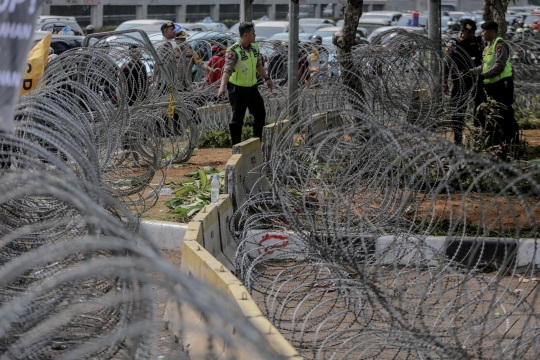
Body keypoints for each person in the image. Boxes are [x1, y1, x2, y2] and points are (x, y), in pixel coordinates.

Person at [217, 22, 272, 146]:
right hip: (237, 89)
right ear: (246, 34)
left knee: (260, 114)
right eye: (253, 33)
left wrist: (267, 78)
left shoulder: (254, 48)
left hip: (252, 88)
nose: (255, 35)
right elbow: (227, 70)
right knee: (238, 119)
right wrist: (222, 87)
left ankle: (257, 142)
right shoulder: (234, 51)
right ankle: (236, 146)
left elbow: (258, 65)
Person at [473, 21, 519, 157]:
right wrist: (470, 72)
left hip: (502, 84)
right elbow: (484, 65)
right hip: (492, 85)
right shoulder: (488, 46)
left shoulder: (500, 44)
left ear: (492, 31)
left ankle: (510, 142)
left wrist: (483, 76)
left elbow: (499, 65)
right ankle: (498, 143)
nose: (482, 34)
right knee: (495, 114)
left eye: (484, 31)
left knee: (505, 114)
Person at [443, 19, 485, 145]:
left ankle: (479, 135)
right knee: (458, 110)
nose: (471, 35)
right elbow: (446, 64)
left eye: (472, 32)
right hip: (459, 81)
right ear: (462, 31)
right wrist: (444, 83)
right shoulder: (454, 44)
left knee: (479, 108)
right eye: (468, 32)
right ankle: (457, 137)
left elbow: (483, 59)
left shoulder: (478, 42)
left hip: (476, 79)